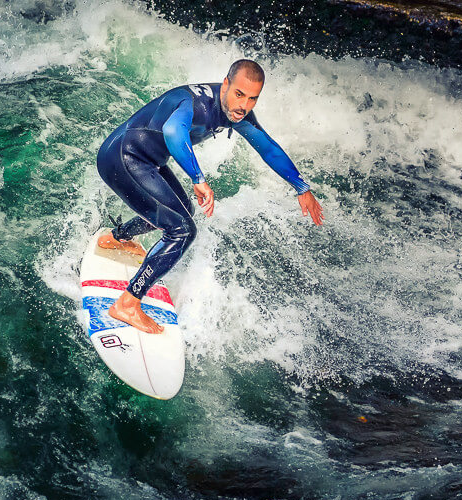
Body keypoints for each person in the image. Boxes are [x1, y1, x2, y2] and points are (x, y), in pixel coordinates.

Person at [95, 59, 323, 334]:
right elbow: (172, 131)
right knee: (181, 231)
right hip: (123, 157)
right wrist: (198, 178)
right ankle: (127, 305)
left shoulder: (237, 113)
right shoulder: (198, 104)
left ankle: (116, 238)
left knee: (182, 211)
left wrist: (301, 187)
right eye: (239, 94)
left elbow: (268, 148)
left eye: (253, 99)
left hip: (146, 160)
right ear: (225, 84)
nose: (244, 106)